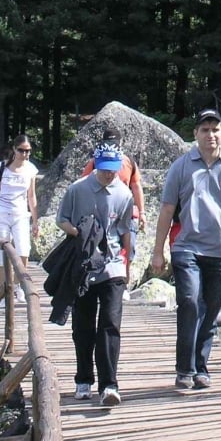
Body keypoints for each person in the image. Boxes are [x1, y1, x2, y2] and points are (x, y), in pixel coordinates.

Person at [151, 109, 221, 391]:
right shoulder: (182, 167)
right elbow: (167, 210)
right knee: (188, 302)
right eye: (205, 130)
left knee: (209, 311)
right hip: (186, 247)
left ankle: (201, 367)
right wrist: (158, 251)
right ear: (195, 134)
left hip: (220, 252)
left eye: (215, 129)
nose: (211, 135)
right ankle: (184, 368)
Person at [56, 142, 136, 406]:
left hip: (112, 265)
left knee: (110, 324)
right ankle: (83, 378)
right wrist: (80, 233)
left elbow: (126, 229)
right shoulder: (77, 190)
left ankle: (109, 384)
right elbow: (62, 219)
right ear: (95, 165)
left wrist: (128, 265)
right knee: (83, 325)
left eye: (113, 170)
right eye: (104, 170)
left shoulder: (124, 193)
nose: (108, 175)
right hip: (84, 266)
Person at [0, 134, 38, 304]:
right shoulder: (1, 168)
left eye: (28, 151)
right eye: (21, 150)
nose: (25, 154)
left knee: (23, 251)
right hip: (1, 213)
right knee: (1, 255)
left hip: (20, 214)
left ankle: (18, 286)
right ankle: (3, 292)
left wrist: (36, 220)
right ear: (14, 149)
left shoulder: (30, 170)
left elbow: (31, 196)